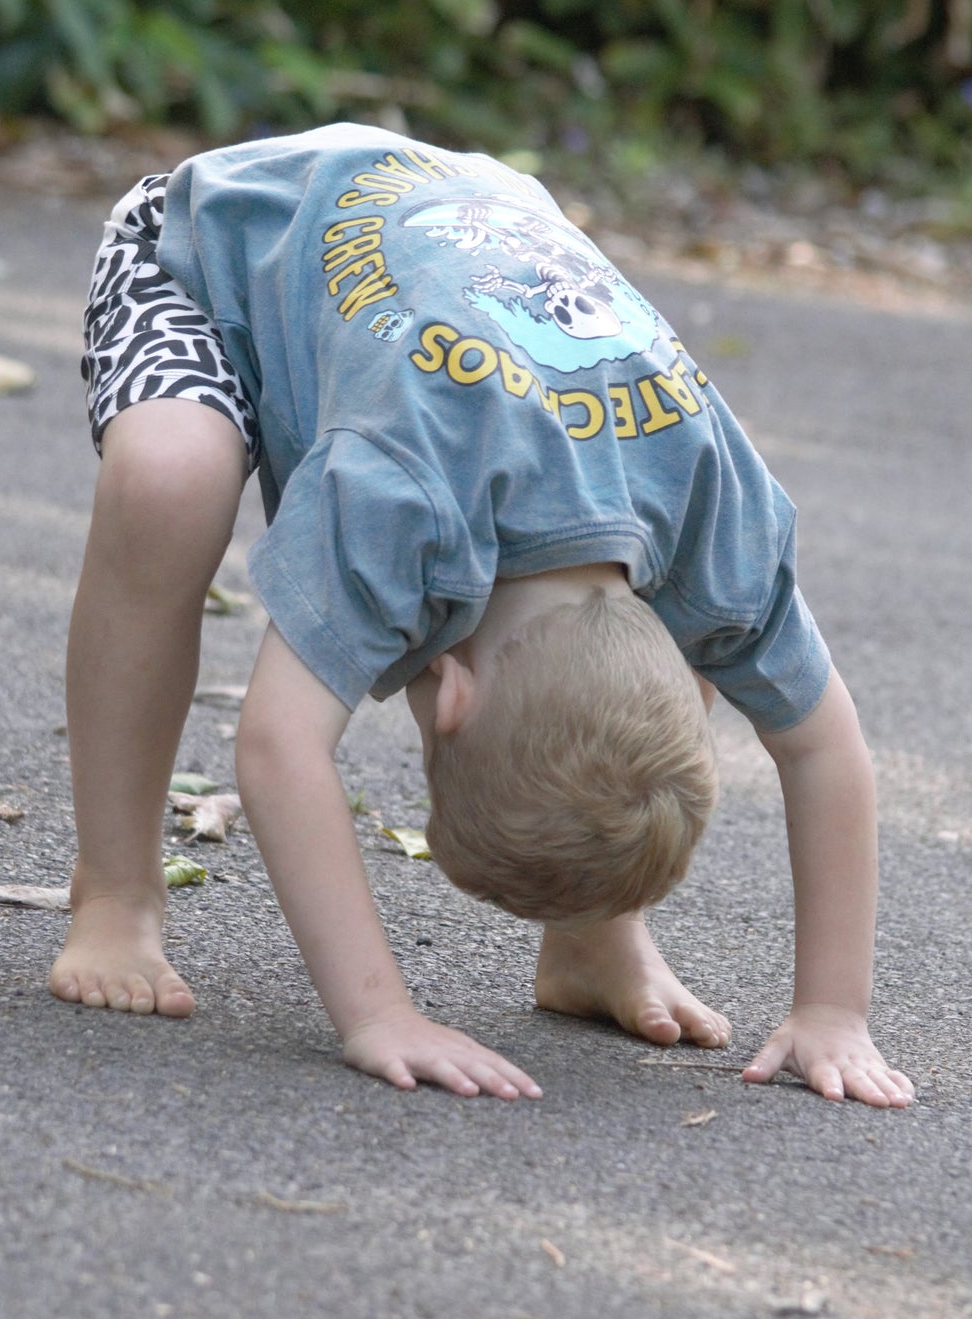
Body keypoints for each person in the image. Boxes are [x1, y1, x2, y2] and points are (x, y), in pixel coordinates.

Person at [50, 124, 913, 1110]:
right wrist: (378, 1014)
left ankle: (591, 935)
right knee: (170, 480)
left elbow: (824, 745)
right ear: (442, 694)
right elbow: (278, 748)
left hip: (467, 226)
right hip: (217, 241)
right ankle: (116, 889)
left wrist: (833, 1009)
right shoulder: (401, 495)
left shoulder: (712, 520)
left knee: (571, 699)